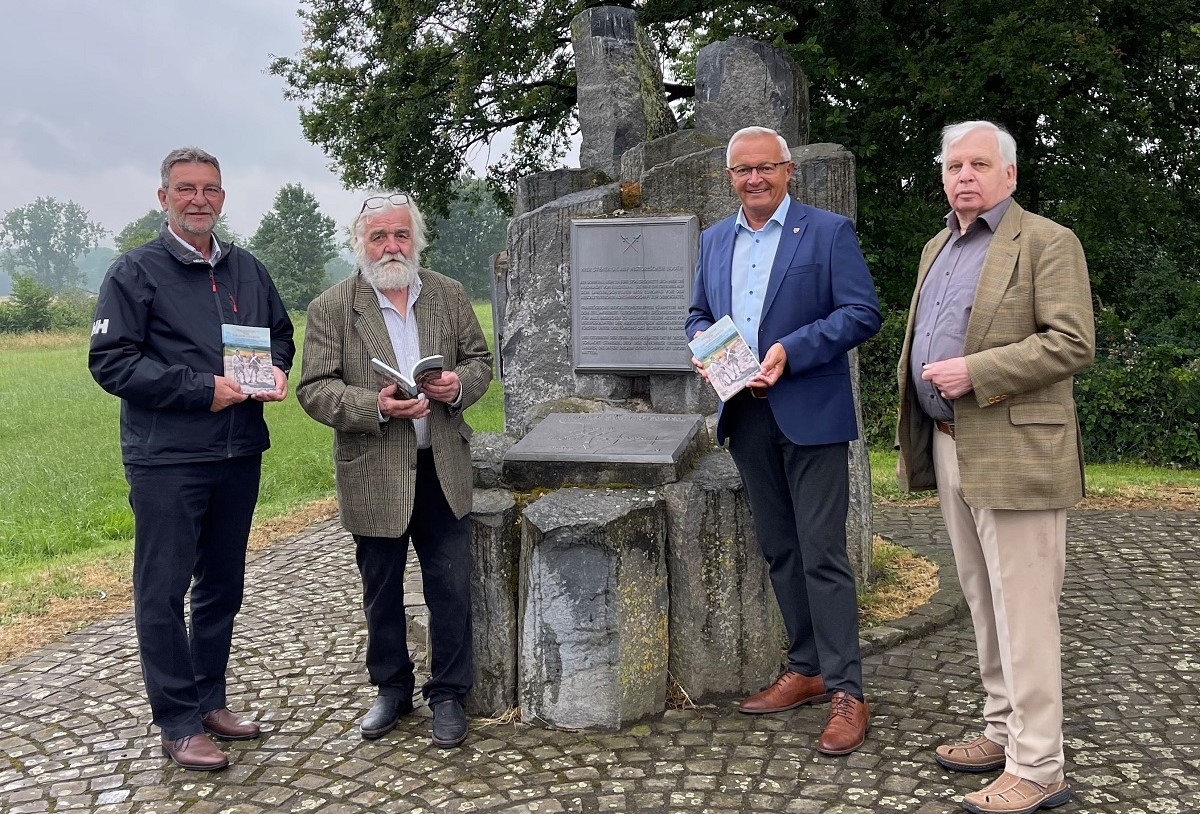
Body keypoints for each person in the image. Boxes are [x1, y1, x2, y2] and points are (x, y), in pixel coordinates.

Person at [896, 120, 1095, 814]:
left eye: (979, 163)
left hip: (1016, 450)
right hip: (952, 443)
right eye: (953, 165)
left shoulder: (1047, 241)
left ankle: (1040, 766)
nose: (964, 176)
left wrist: (975, 371)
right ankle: (1001, 729)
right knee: (984, 600)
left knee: (1026, 610)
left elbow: (1072, 342)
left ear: (1009, 174)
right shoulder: (938, 246)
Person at [89, 147, 295, 771]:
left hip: (238, 451)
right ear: (164, 198)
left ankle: (210, 702)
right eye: (185, 189)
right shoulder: (135, 272)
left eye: (209, 189)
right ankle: (177, 722)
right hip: (166, 459)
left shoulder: (247, 269)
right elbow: (112, 361)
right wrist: (200, 390)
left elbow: (280, 333)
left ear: (222, 198)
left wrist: (277, 371)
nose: (198, 199)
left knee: (221, 587)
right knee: (162, 591)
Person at [686, 126, 882, 755]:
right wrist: (707, 352)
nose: (754, 179)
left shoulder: (827, 233)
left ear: (788, 170)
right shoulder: (714, 240)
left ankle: (848, 690)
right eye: (742, 171)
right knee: (779, 549)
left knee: (823, 551)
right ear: (730, 179)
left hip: (810, 412)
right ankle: (806, 668)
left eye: (765, 168)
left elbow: (861, 313)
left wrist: (789, 352)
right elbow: (696, 314)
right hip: (744, 413)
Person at [297, 192, 492, 749]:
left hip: (443, 465)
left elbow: (480, 362)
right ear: (360, 243)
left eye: (400, 236)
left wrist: (458, 386)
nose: (390, 247)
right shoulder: (333, 306)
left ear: (416, 240)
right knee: (380, 590)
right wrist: (376, 406)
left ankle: (449, 693)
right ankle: (391, 687)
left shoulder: (447, 294)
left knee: (450, 587)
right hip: (375, 468)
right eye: (378, 237)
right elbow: (313, 389)